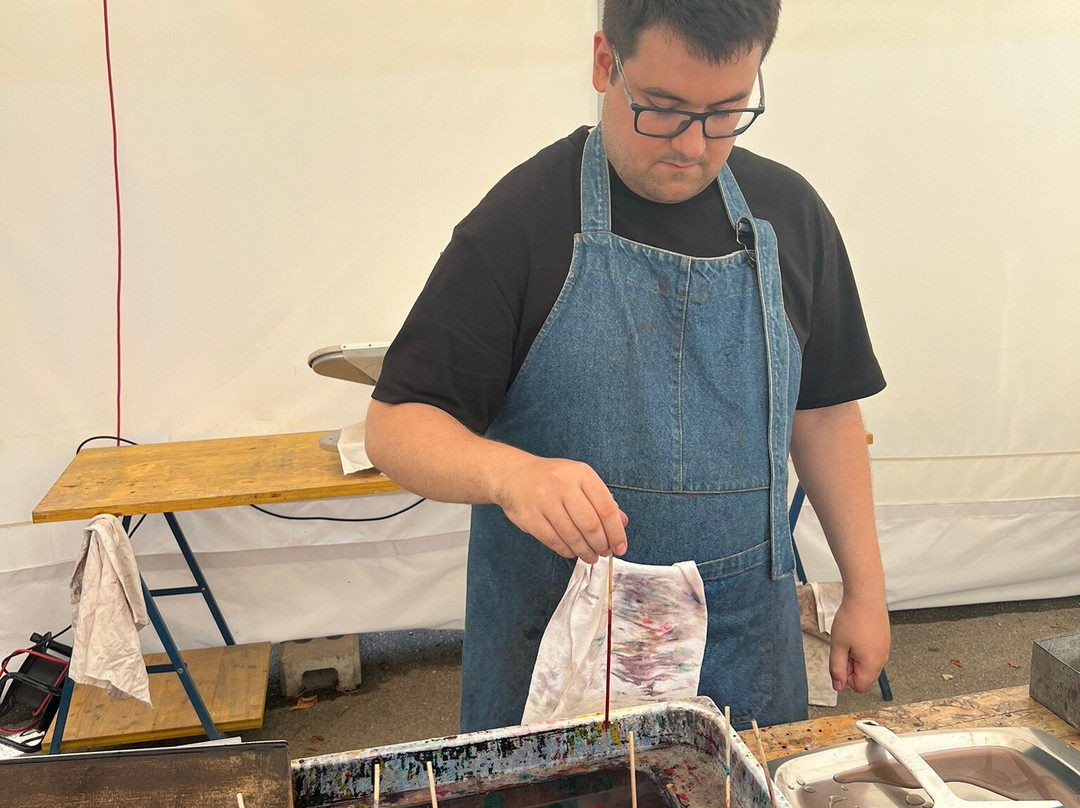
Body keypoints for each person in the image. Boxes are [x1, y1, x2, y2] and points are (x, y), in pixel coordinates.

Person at [366, 0, 890, 733]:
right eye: (663, 108)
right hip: (561, 662)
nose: (693, 144)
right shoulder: (523, 220)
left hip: (744, 647)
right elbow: (396, 425)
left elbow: (825, 410)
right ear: (604, 63)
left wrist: (865, 589)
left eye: (725, 113)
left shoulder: (790, 215)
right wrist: (510, 475)